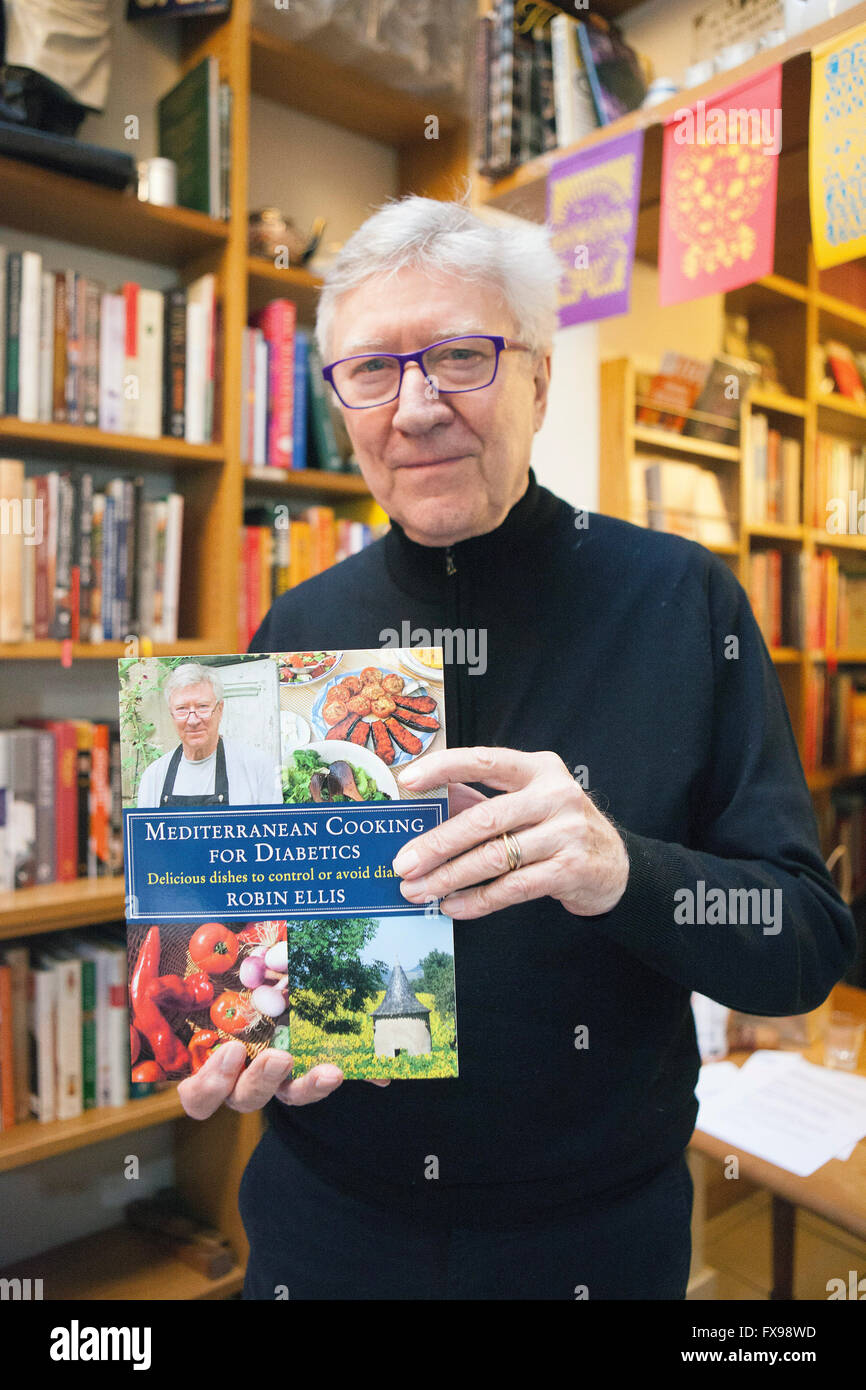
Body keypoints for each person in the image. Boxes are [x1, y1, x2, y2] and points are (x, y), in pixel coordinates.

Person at [177, 196, 858, 1300]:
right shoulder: (293, 629)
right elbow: (262, 937)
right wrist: (243, 1032)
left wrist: (622, 872)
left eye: (459, 356)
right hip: (324, 1224)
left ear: (538, 378)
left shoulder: (684, 604)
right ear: (338, 400)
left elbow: (802, 942)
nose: (417, 407)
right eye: (372, 370)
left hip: (588, 1243)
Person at [137, 662, 282, 808]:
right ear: (171, 714)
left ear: (220, 709)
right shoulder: (153, 777)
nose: (193, 720)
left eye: (202, 707)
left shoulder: (258, 768)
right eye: (182, 709)